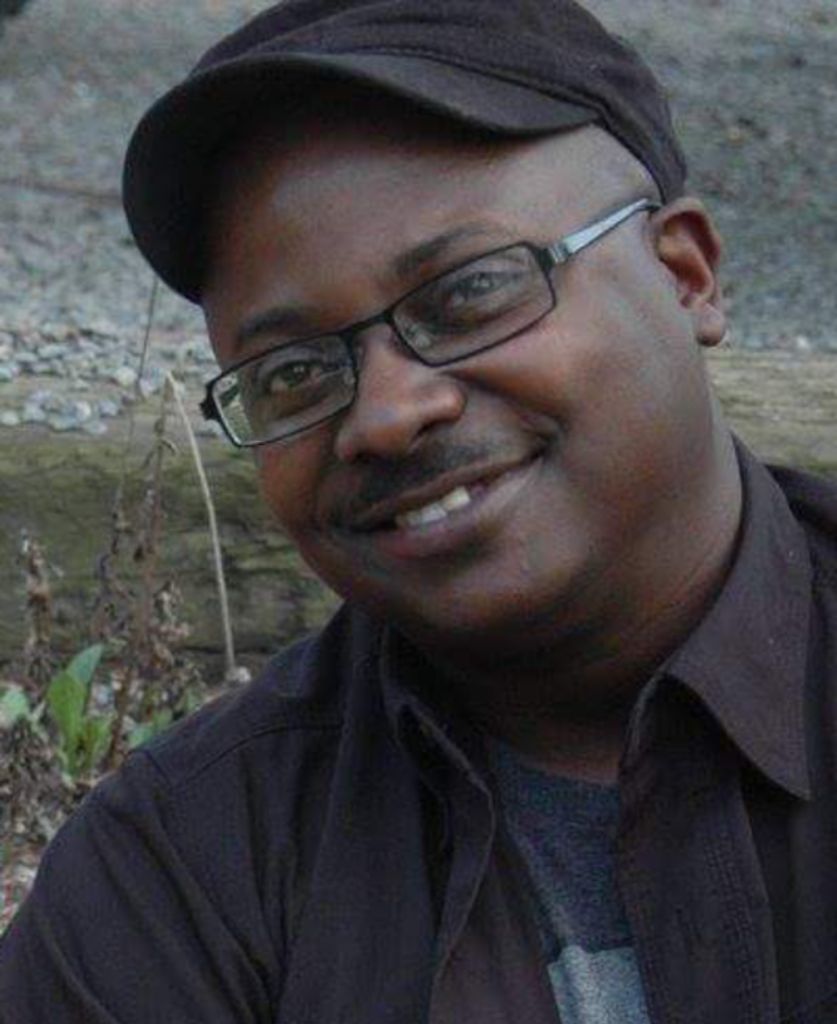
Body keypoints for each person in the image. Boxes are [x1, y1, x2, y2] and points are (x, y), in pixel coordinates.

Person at [2, 1, 837, 1021]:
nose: (389, 415)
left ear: (685, 273)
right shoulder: (172, 888)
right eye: (295, 371)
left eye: (470, 293)